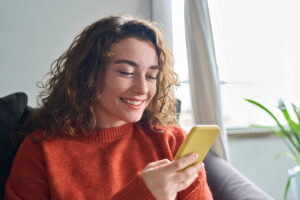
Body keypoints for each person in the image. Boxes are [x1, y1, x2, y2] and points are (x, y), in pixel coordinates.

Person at [5, 15, 213, 200]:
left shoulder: (172, 142)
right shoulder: (40, 150)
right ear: (89, 76)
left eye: (151, 76)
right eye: (126, 72)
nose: (142, 89)